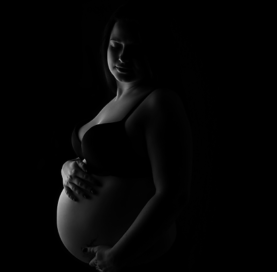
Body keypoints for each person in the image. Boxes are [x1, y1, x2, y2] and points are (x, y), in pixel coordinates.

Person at [56, 3, 192, 272]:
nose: (122, 57)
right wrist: (67, 167)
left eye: (135, 48)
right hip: (107, 262)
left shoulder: (159, 102)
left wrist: (118, 256)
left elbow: (173, 194)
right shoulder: (111, 103)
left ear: (154, 51)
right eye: (115, 45)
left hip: (136, 261)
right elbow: (102, 159)